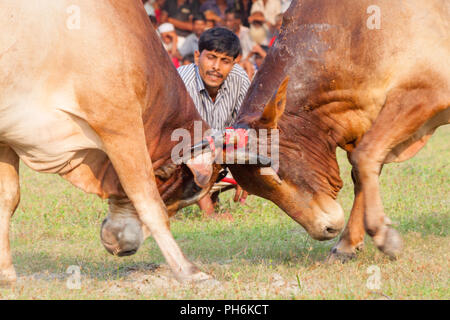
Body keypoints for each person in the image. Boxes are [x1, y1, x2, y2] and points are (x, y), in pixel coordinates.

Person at [177, 27, 251, 217]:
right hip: (181, 160)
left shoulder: (239, 78)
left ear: (234, 64)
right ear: (196, 56)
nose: (216, 67)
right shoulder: (182, 81)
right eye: (211, 57)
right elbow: (186, 147)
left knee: (263, 148)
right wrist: (210, 214)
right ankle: (207, 208)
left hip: (219, 154)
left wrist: (246, 175)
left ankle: (214, 194)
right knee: (193, 147)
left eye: (225, 61)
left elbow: (247, 126)